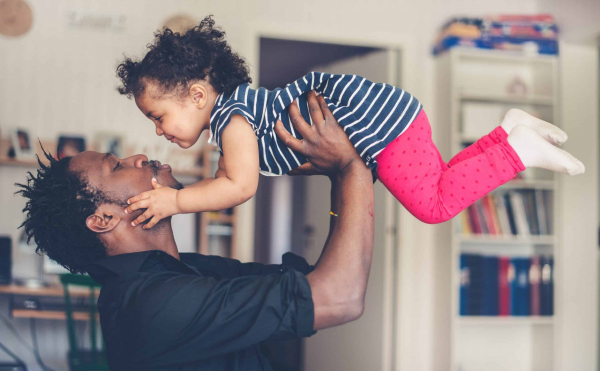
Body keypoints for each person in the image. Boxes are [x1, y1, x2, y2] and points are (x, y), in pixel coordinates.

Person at [16, 93, 375, 371]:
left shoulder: (186, 270)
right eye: (117, 166)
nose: (139, 157)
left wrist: (339, 178)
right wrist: (351, 167)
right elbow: (340, 297)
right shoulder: (148, 305)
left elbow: (323, 281)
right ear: (105, 219)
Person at [115, 16, 584, 229]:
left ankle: (517, 149)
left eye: (158, 116)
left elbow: (238, 186)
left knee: (435, 206)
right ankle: (507, 134)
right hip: (390, 112)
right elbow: (227, 176)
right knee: (442, 183)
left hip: (376, 126)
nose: (159, 130)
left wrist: (175, 201)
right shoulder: (238, 112)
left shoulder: (234, 119)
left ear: (198, 94)